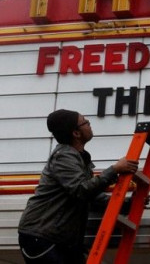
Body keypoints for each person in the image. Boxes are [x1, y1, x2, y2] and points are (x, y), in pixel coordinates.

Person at [18, 109, 139, 263]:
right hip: (42, 238)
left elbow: (93, 197)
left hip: (63, 241)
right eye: (85, 122)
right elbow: (81, 190)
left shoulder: (79, 158)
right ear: (76, 133)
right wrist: (114, 170)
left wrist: (128, 203)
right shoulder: (64, 156)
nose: (89, 124)